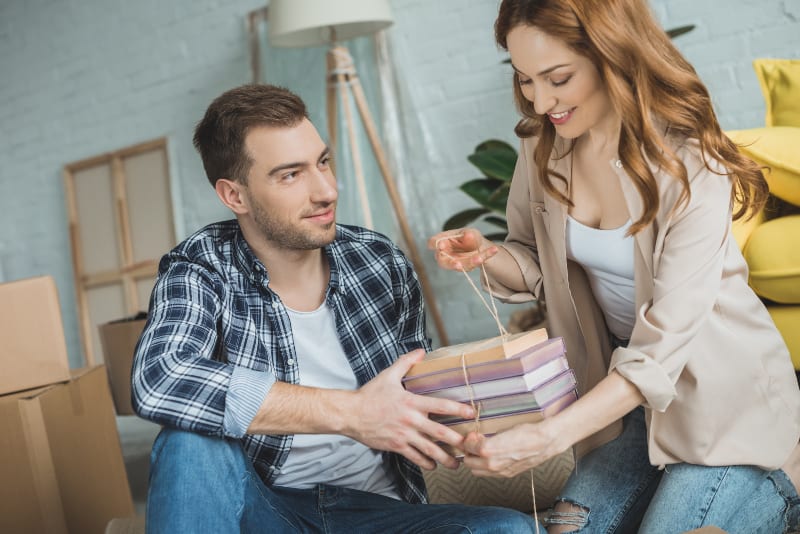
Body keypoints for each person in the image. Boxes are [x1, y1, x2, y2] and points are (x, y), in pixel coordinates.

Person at [429, 0, 800, 532]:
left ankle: (783, 479)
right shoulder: (541, 148)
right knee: (567, 527)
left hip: (724, 409)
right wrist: (487, 255)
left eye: (557, 77)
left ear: (612, 56)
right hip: (630, 411)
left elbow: (660, 347)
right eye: (525, 79)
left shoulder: (689, 163)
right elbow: (534, 261)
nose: (541, 99)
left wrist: (548, 438)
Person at [131, 83, 538, 533]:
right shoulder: (201, 266)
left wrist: (495, 407)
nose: (325, 191)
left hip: (378, 512)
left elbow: (410, 396)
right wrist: (351, 413)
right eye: (290, 175)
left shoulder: (379, 261)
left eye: (322, 162)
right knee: (189, 442)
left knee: (508, 530)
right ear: (235, 196)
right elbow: (160, 379)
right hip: (268, 511)